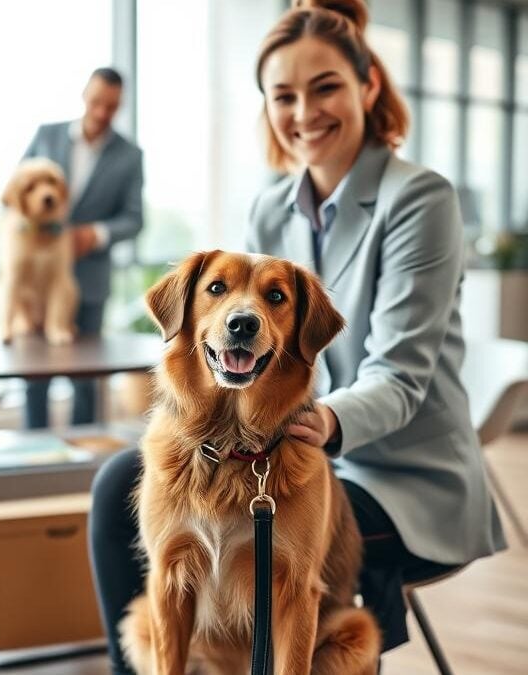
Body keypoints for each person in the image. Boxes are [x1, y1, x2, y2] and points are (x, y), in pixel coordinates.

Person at [88, 1, 507, 672]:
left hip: (401, 473)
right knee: (117, 484)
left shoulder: (419, 199)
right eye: (284, 95)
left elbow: (398, 375)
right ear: (268, 107)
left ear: (368, 87)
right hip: (288, 440)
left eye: (326, 87)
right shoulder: (270, 204)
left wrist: (318, 420)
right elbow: (246, 335)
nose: (305, 112)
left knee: (308, 535)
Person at [20, 67, 144, 429]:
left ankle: (82, 468)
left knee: (85, 381)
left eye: (112, 106)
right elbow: (17, 190)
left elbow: (134, 219)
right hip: (40, 281)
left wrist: (96, 234)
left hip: (89, 281)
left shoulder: (130, 155)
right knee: (35, 377)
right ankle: (33, 461)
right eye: (96, 102)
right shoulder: (47, 135)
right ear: (84, 96)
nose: (102, 113)